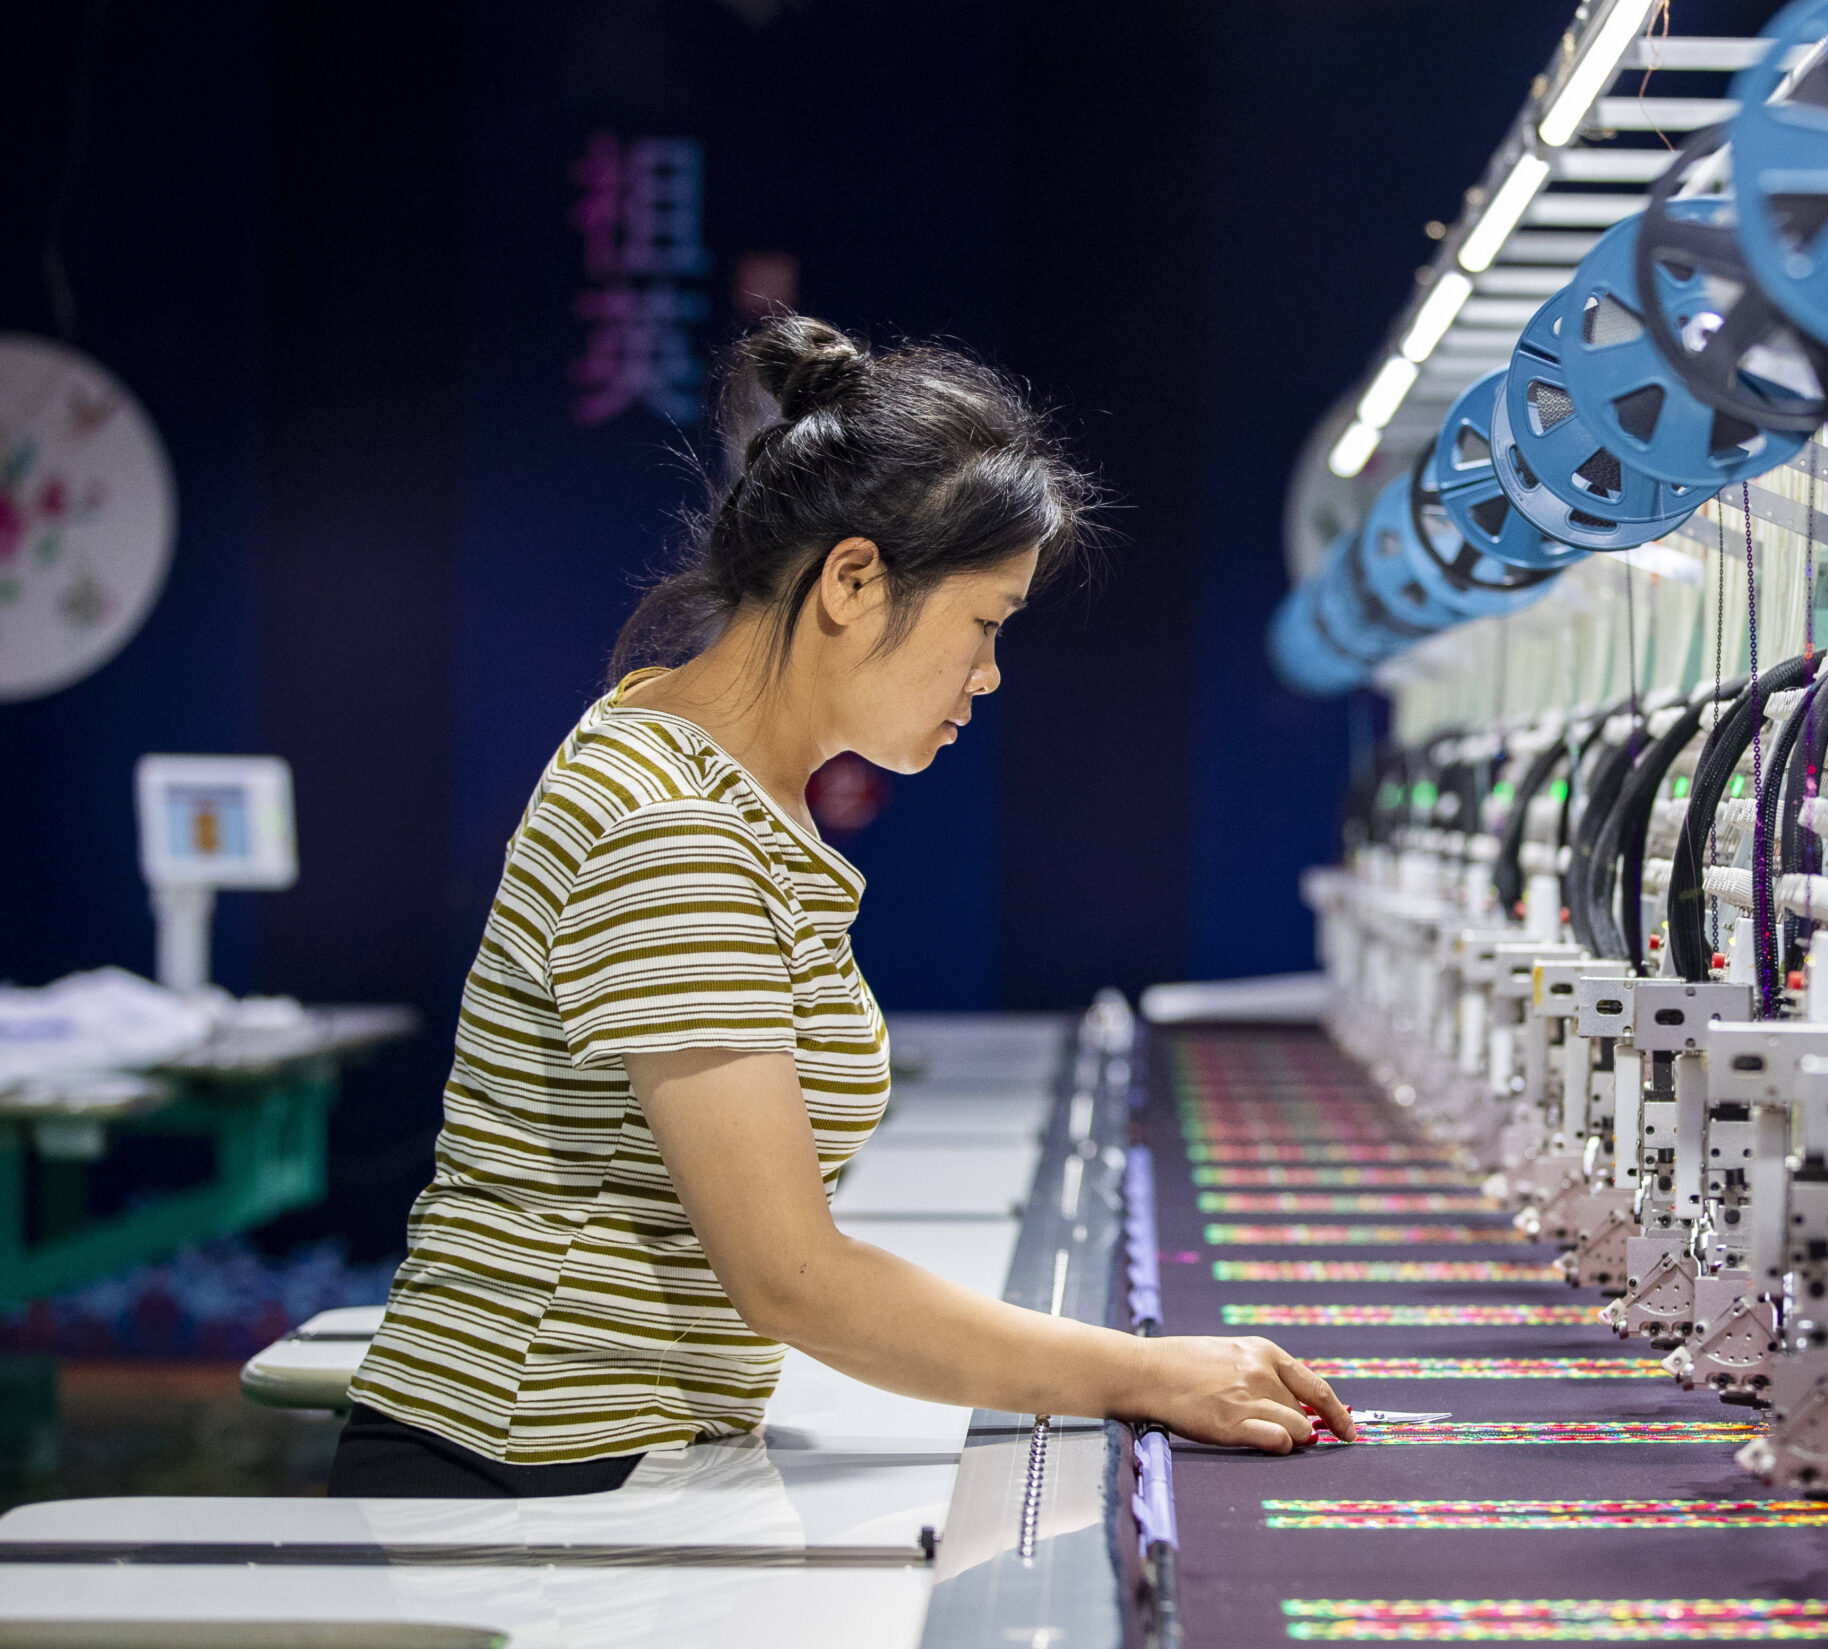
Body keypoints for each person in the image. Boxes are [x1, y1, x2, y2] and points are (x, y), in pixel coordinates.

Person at [333, 315, 1355, 1509]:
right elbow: (793, 1278)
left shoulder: (712, 779)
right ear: (853, 580)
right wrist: (1142, 1374)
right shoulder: (671, 826)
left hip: (603, 1457)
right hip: (517, 1475)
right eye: (985, 624)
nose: (989, 674)